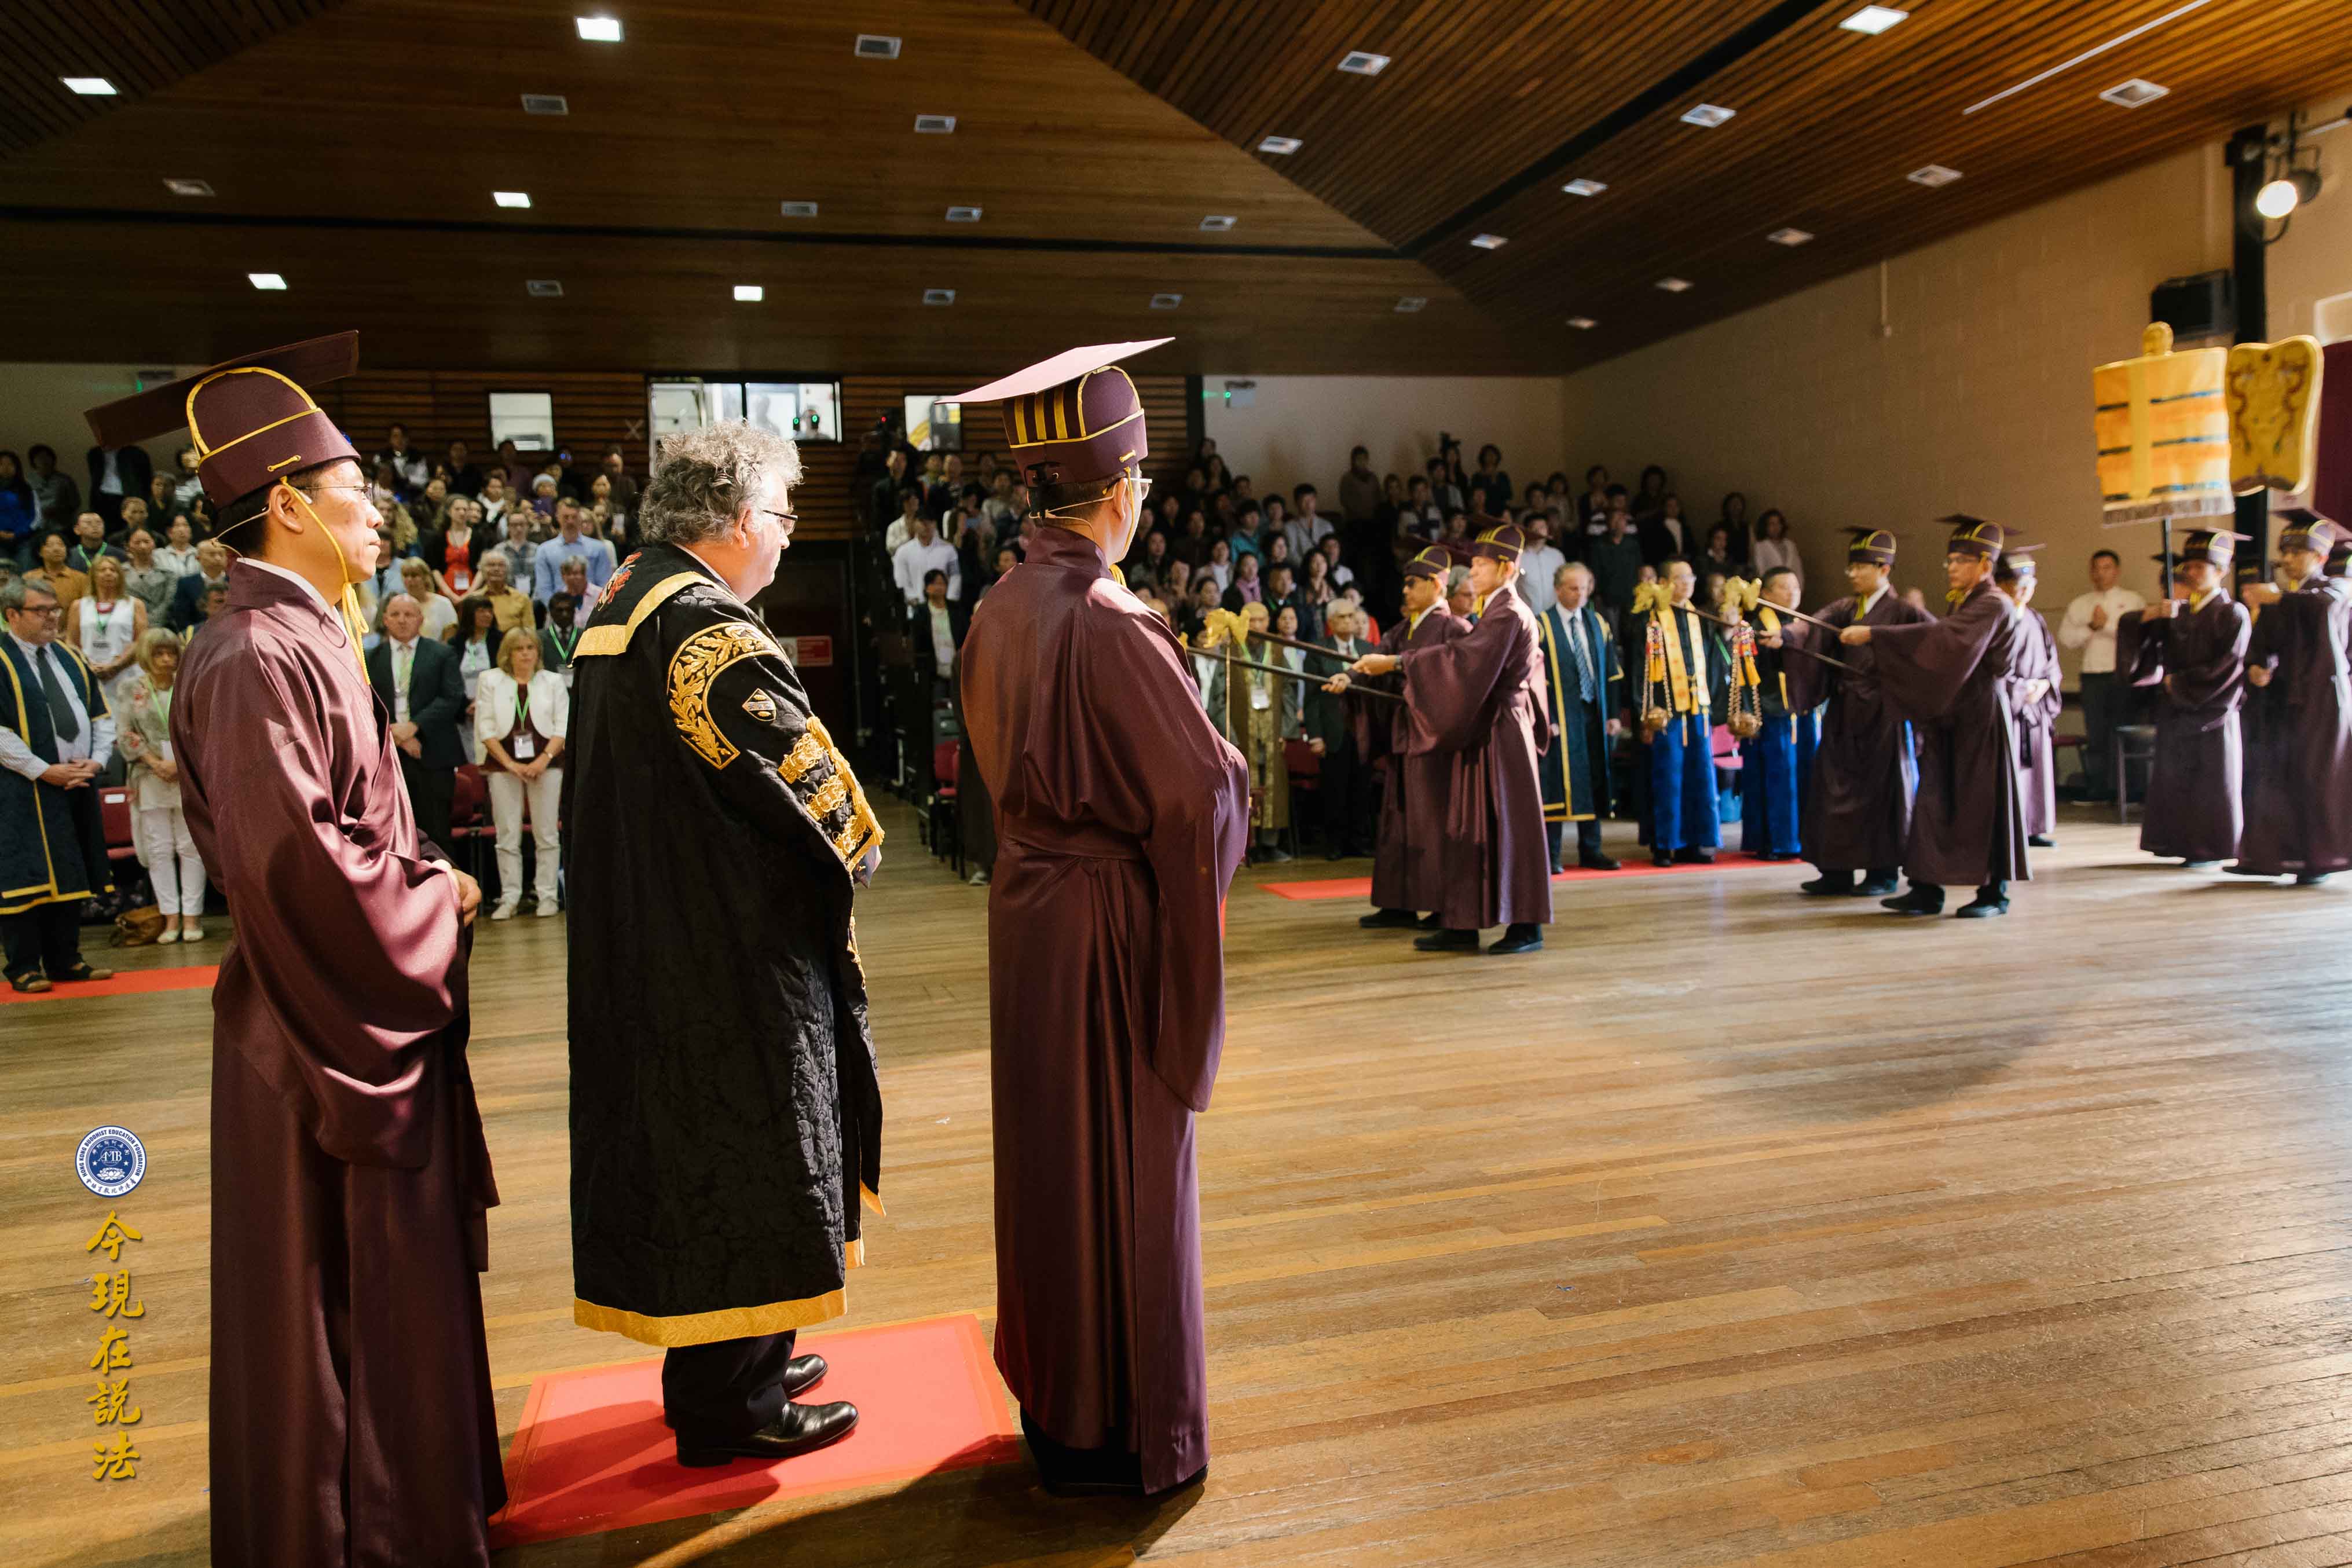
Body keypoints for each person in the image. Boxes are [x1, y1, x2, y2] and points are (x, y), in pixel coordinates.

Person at [90, 335, 500, 1564]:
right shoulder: (256, 650)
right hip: (322, 1028)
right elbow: (297, 870)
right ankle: (361, 1530)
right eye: (355, 491)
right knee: (338, 1290)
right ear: (283, 505)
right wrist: (442, 902)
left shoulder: (298, 631)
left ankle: (408, 1508)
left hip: (344, 997)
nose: (379, 512)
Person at [956, 341, 1247, 1497]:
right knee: (1126, 1156)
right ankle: (1132, 1423)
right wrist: (1202, 720)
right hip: (1107, 931)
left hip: (1029, 912)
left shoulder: (999, 605)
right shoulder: (1117, 621)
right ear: (1121, 493)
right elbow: (1201, 796)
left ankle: (1058, 1402)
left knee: (1048, 1155)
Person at [564, 419, 876, 1468]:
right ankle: (731, 1397)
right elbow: (825, 801)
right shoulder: (713, 634)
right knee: (745, 1152)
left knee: (686, 1157)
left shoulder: (620, 601)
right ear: (738, 518)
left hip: (644, 933)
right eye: (784, 515)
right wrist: (860, 854)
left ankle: (736, 1353)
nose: (788, 538)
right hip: (725, 946)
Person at [1349, 525, 1552, 955]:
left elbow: (1464, 661)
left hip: (1500, 731)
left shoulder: (1509, 612)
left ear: (1506, 567)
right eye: (1473, 564)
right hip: (1484, 727)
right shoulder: (1497, 610)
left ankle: (1525, 925)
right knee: (1470, 828)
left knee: (1505, 825)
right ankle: (1463, 923)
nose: (1472, 572)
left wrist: (1397, 662)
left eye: (1479, 565)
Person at [1841, 516, 2028, 917]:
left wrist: (1876, 636)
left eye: (1962, 561)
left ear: (1985, 566)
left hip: (1981, 717)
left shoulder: (1994, 603)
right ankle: (1926, 889)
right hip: (1953, 713)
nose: (1953, 568)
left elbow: (1945, 642)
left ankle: (1994, 894)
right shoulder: (1965, 601)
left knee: (1982, 804)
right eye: (1951, 561)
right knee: (1933, 801)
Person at [1783, 528, 1929, 897]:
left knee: (1881, 794)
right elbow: (1809, 627)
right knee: (1832, 788)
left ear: (1884, 569)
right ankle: (1836, 871)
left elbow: (1932, 641)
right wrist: (1782, 636)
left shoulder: (1904, 611)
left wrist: (1876, 636)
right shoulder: (1846, 608)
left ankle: (1882, 873)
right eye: (1851, 567)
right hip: (1844, 712)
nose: (1852, 574)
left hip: (1883, 716)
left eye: (1861, 567)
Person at [0, 577, 116, 992]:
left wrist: (97, 761)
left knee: (72, 868)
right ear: (12, 615)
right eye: (41, 610)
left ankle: (67, 958)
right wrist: (41, 769)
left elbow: (101, 717)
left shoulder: (69, 656)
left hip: (75, 782)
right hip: (22, 787)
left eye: (54, 609)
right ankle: (24, 966)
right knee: (25, 876)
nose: (52, 617)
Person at [2113, 529, 2251, 868]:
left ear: (2221, 571)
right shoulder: (2178, 613)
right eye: (2187, 566)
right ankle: (2175, 840)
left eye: (2200, 567)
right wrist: (2148, 617)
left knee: (2210, 781)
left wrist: (2182, 683)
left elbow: (2230, 666)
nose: (2190, 573)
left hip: (2213, 711)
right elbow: (2145, 649)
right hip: (2176, 709)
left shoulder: (2233, 613)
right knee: (2176, 778)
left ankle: (2209, 847)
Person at [2230, 510, 2352, 885]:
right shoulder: (2283, 599)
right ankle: (2274, 857)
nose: (2286, 560)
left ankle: (2319, 860)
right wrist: (2257, 668)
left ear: (2318, 558)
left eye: (2296, 553)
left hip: (2323, 705)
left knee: (2315, 782)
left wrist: (2280, 598)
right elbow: (2262, 646)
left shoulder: (2335, 589)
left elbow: (2323, 610)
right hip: (2281, 704)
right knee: (2274, 780)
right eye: (2285, 553)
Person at [1624, 559, 1727, 866]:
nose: (1687, 584)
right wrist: (1646, 712)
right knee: (1668, 777)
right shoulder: (1649, 619)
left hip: (1697, 710)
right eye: (1680, 578)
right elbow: (1639, 669)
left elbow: (1713, 660)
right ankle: (1664, 843)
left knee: (1699, 776)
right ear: (1665, 582)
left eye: (1690, 577)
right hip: (1665, 712)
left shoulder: (1701, 617)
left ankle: (1695, 843)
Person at [113, 628, 207, 942]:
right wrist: (155, 763)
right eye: (159, 654)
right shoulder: (130, 688)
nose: (166, 659)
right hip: (149, 775)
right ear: (146, 657)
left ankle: (192, 919)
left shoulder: (190, 683)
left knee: (190, 847)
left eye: (171, 653)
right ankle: (169, 919)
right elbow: (125, 732)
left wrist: (179, 765)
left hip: (187, 775)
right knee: (158, 849)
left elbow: (204, 729)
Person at [1534, 561, 1622, 871]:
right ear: (1558, 590)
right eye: (1574, 588)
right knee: (1556, 780)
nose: (1581, 594)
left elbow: (1612, 672)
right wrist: (1544, 719)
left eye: (1585, 588)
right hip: (1558, 716)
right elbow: (1534, 679)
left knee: (1594, 777)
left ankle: (1591, 849)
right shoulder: (1541, 625)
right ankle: (1552, 854)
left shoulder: (1599, 623)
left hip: (1592, 713)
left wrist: (1612, 714)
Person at [474, 628, 565, 918]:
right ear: (507, 653)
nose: (526, 653)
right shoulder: (490, 680)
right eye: (518, 648)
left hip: (546, 763)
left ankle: (547, 896)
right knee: (507, 834)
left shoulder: (552, 681)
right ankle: (510, 897)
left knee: (547, 833)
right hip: (503, 764)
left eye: (530, 647)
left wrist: (543, 759)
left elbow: (562, 726)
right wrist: (511, 765)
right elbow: (485, 728)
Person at [368, 592, 467, 848]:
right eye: (395, 615)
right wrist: (396, 735)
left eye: (409, 614)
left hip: (432, 754)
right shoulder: (369, 658)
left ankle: (446, 887)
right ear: (385, 620)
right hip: (386, 756)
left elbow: (451, 697)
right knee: (391, 836)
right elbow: (364, 703)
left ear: (420, 619)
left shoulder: (442, 654)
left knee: (436, 833)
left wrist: (414, 727)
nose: (402, 620)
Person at [1731, 566, 1815, 862]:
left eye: (1796, 587)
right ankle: (1775, 841)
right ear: (1765, 594)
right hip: (1770, 710)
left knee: (1805, 773)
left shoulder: (1803, 624)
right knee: (1776, 776)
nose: (1793, 593)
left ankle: (1806, 838)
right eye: (1784, 587)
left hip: (1802, 710)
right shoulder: (1754, 627)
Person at [2057, 547, 2146, 802]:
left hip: (2122, 674)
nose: (2100, 573)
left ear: (2117, 571)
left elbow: (2134, 636)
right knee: (2096, 734)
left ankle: (2129, 791)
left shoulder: (2132, 600)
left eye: (2106, 568)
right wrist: (2091, 627)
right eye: (2095, 568)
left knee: (2123, 731)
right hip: (2092, 674)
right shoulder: (2080, 603)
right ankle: (2098, 790)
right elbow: (2067, 639)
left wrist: (2104, 626)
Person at [1218, 600, 1296, 862]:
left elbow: (1289, 691)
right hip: (1242, 728)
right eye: (1251, 621)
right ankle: (1245, 845)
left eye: (1262, 620)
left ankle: (1270, 844)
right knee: (1246, 783)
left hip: (1273, 728)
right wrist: (1228, 734)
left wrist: (1286, 729)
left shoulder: (1277, 651)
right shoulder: (1231, 650)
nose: (1257, 626)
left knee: (1272, 783)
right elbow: (1221, 696)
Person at [1994, 549, 2062, 848]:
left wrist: (2046, 684)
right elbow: (1993, 668)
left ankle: (2034, 827)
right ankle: (2012, 827)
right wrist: (2022, 690)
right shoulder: (1998, 617)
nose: (2023, 589)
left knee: (2037, 772)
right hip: (2009, 706)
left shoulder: (2035, 618)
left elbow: (2052, 661)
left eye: (2029, 583)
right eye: (2015, 583)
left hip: (2035, 709)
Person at [1305, 598, 1375, 858]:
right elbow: (1311, 699)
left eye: (1351, 616)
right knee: (1334, 790)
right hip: (1333, 731)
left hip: (1363, 732)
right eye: (1342, 617)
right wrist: (1315, 736)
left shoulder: (1368, 649)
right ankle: (1335, 844)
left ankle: (1360, 841)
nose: (1348, 621)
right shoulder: (1318, 650)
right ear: (1331, 622)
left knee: (1362, 789)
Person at [67, 552, 149, 712]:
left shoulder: (134, 604)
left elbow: (141, 640)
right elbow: (71, 642)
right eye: (102, 570)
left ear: (120, 575)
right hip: (90, 672)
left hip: (126, 672)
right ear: (93, 576)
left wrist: (116, 666)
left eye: (113, 570)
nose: (108, 573)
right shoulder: (79, 605)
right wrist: (87, 665)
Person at [532, 496, 617, 602]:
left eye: (574, 517)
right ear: (558, 517)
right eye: (566, 517)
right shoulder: (544, 550)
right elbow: (544, 588)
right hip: (558, 611)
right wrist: (558, 610)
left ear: (580, 518)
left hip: (592, 612)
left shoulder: (598, 548)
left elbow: (605, 585)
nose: (570, 521)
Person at [892, 510, 960, 606]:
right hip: (915, 607)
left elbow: (955, 577)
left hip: (944, 606)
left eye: (931, 522)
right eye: (922, 522)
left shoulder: (949, 550)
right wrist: (916, 602)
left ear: (935, 524)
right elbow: (901, 582)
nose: (927, 526)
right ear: (914, 523)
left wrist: (950, 601)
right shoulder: (903, 552)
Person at [27, 530, 90, 620]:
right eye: (49, 545)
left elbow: (88, 611)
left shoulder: (81, 578)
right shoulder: (29, 578)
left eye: (61, 545)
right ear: (39, 552)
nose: (56, 549)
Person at [121, 526, 176, 621]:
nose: (143, 546)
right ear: (127, 546)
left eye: (147, 542)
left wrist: (150, 622)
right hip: (129, 623)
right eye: (137, 543)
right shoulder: (120, 573)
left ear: (154, 543)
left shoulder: (168, 573)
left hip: (161, 624)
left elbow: (168, 602)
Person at [476, 548, 534, 633]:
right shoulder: (474, 599)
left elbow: (530, 632)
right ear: (482, 570)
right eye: (491, 565)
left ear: (508, 570)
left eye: (501, 565)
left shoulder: (522, 598)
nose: (496, 569)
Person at [538, 590, 582, 679]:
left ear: (574, 611)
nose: (565, 614)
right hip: (549, 688)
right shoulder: (539, 638)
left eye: (568, 610)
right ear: (551, 612)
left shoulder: (585, 636)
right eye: (560, 610)